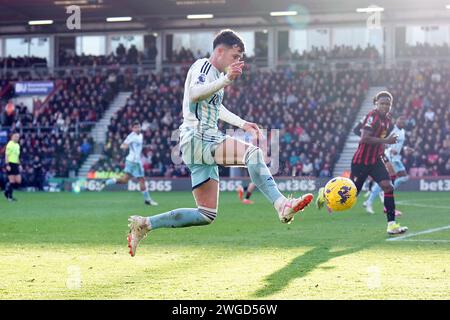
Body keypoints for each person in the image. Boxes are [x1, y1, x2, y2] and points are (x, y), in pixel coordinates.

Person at [127, 29, 314, 257]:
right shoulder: (204, 67)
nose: (238, 62)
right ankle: (281, 204)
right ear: (220, 50)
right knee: (252, 154)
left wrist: (242, 123)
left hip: (195, 144)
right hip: (199, 135)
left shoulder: (215, 75)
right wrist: (226, 80)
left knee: (206, 214)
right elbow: (195, 93)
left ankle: (144, 224)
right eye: (235, 56)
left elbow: (216, 107)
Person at [317, 91, 408, 235]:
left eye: (388, 104)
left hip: (375, 160)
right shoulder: (372, 116)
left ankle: (391, 225)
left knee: (388, 186)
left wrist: (379, 145)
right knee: (352, 194)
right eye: (382, 103)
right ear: (376, 103)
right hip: (361, 161)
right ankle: (325, 193)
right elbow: (365, 138)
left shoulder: (387, 119)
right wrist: (384, 141)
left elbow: (361, 132)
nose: (385, 106)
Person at [101, 121, 158, 206]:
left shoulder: (140, 135)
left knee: (124, 180)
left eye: (138, 127)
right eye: (135, 127)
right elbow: (122, 145)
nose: (137, 129)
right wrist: (126, 145)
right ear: (132, 129)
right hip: (135, 162)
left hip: (131, 161)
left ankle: (107, 182)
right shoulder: (131, 136)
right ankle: (147, 200)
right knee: (142, 180)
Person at [364, 116, 412, 214]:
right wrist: (389, 149)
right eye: (400, 120)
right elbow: (382, 141)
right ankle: (370, 201)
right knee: (385, 180)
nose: (402, 122)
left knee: (404, 177)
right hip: (388, 156)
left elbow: (399, 145)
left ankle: (384, 190)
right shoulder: (391, 129)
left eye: (403, 121)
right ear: (396, 121)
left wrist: (406, 149)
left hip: (396, 158)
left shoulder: (402, 132)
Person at [4, 132, 21, 202]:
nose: (17, 138)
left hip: (16, 164)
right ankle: (9, 197)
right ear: (12, 137)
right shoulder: (9, 144)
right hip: (10, 164)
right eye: (15, 136)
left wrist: (19, 164)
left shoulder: (17, 145)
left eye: (18, 137)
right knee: (12, 181)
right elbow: (6, 155)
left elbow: (17, 156)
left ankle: (6, 191)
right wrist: (7, 165)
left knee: (18, 181)